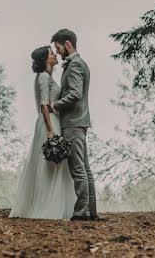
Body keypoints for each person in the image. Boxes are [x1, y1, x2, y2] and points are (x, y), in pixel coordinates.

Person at [8, 45, 77, 219]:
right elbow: (44, 105)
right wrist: (50, 130)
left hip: (52, 121)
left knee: (53, 164)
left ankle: (54, 204)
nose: (55, 55)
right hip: (49, 122)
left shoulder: (47, 77)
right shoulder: (44, 77)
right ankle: (47, 206)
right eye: (52, 53)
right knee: (49, 164)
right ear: (46, 60)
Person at [50, 28, 100, 221]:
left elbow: (75, 94)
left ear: (68, 44)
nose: (58, 51)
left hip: (73, 122)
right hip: (80, 121)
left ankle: (81, 213)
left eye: (59, 47)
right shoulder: (79, 63)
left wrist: (56, 104)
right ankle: (91, 212)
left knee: (77, 169)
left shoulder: (75, 65)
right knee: (85, 168)